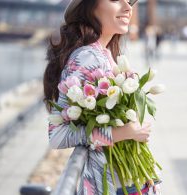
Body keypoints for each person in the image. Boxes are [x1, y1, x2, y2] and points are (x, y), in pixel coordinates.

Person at [43, 0, 161, 194]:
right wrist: (121, 133)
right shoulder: (87, 57)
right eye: (116, 0)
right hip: (113, 186)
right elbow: (57, 135)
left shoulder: (105, 53)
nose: (128, 7)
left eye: (130, 1)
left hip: (129, 183)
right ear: (90, 6)